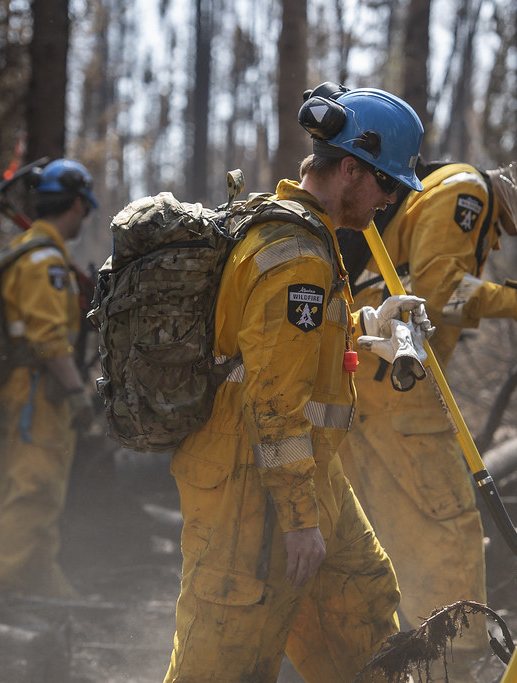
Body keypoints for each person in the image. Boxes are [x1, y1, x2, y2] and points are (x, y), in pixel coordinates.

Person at [163, 85, 433, 683]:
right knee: (226, 658)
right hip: (252, 483)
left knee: (363, 598)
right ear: (350, 169)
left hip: (308, 469)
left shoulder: (303, 237)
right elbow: (272, 399)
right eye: (387, 184)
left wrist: (367, 327)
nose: (389, 200)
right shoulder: (297, 257)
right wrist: (298, 518)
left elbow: (286, 348)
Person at [335, 144, 517, 680]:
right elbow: (438, 292)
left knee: (378, 530)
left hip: (368, 380)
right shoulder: (466, 193)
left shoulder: (456, 194)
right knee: (448, 521)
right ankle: (459, 660)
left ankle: (386, 657)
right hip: (397, 384)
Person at [0, 158, 97, 599]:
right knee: (32, 489)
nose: (85, 216)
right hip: (36, 394)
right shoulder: (46, 260)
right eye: (86, 208)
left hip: (19, 389)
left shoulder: (26, 247)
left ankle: (40, 579)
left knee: (36, 487)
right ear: (77, 204)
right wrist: (77, 392)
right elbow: (47, 339)